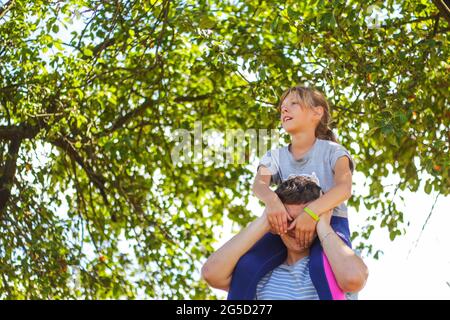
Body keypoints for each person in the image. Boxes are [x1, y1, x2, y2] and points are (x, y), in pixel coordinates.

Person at [229, 85, 357, 299]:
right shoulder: (276, 155)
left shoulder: (334, 151)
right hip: (285, 228)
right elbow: (259, 185)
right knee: (247, 267)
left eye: (293, 104)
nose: (284, 110)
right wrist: (273, 202)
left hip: (329, 225)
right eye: (282, 108)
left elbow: (344, 188)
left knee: (321, 269)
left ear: (317, 113)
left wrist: (313, 213)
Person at [201, 176, 368, 299]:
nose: (296, 228)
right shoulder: (260, 274)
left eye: (304, 220)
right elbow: (211, 273)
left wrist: (323, 224)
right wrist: (266, 220)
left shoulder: (339, 260)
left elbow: (353, 279)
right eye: (288, 219)